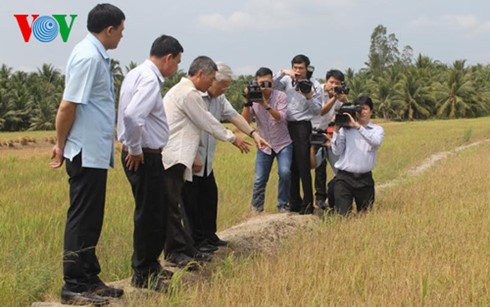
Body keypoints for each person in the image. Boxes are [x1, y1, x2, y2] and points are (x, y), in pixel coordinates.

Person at [49, 4, 125, 305]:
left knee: (92, 217)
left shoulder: (95, 55)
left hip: (93, 150)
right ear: (109, 30)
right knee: (82, 217)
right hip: (83, 150)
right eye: (121, 30)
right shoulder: (88, 57)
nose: (122, 36)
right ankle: (74, 284)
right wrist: (60, 142)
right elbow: (68, 106)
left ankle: (89, 276)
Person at [161, 56, 255, 268]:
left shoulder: (194, 93)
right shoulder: (188, 94)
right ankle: (180, 251)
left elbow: (229, 116)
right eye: (212, 79)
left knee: (198, 200)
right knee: (179, 207)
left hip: (188, 158)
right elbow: (207, 123)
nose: (212, 84)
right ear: (203, 75)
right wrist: (233, 138)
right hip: (177, 156)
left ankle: (191, 248)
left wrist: (252, 133)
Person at [117, 35, 183, 291]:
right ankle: (143, 273)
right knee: (150, 214)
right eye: (176, 62)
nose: (176, 68)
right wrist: (134, 148)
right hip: (143, 154)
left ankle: (150, 266)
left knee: (154, 210)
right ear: (168, 58)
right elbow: (133, 115)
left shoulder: (136, 73)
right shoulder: (149, 78)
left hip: (144, 152)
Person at [182, 62, 269, 253]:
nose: (225, 89)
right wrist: (195, 154)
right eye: (223, 85)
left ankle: (209, 236)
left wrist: (253, 134)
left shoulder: (219, 99)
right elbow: (194, 127)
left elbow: (233, 116)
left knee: (209, 196)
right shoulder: (194, 96)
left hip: (207, 160)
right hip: (192, 157)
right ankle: (196, 243)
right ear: (212, 80)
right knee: (191, 202)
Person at [273, 54, 323, 214]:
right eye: (295, 68)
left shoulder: (314, 85)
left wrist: (308, 96)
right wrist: (283, 72)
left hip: (302, 126)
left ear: (307, 68)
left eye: (301, 68)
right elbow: (269, 86)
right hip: (286, 125)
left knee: (303, 166)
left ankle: (308, 204)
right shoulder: (287, 80)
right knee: (290, 165)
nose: (298, 71)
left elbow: (317, 110)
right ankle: (294, 202)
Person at [242, 67, 293, 213]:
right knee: (260, 178)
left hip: (283, 143)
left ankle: (283, 205)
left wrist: (264, 104)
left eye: (268, 83)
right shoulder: (253, 98)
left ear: (273, 82)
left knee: (285, 172)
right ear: (256, 83)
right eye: (262, 84)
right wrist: (247, 101)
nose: (265, 87)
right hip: (264, 143)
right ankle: (256, 209)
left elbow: (280, 117)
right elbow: (244, 121)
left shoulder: (281, 96)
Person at [331, 96, 384, 216]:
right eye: (358, 109)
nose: (361, 112)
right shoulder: (346, 129)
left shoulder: (377, 130)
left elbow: (376, 142)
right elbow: (337, 151)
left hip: (365, 179)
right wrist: (336, 130)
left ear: (371, 110)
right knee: (343, 215)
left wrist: (358, 127)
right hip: (344, 178)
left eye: (364, 108)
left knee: (365, 215)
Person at [310, 69, 347, 210]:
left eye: (337, 83)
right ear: (326, 81)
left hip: (327, 132)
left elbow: (340, 117)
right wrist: (335, 98)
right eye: (331, 82)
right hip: (311, 132)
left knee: (339, 166)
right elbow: (321, 111)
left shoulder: (338, 96)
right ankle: (319, 198)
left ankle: (338, 196)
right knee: (318, 167)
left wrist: (345, 101)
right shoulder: (316, 92)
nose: (333, 86)